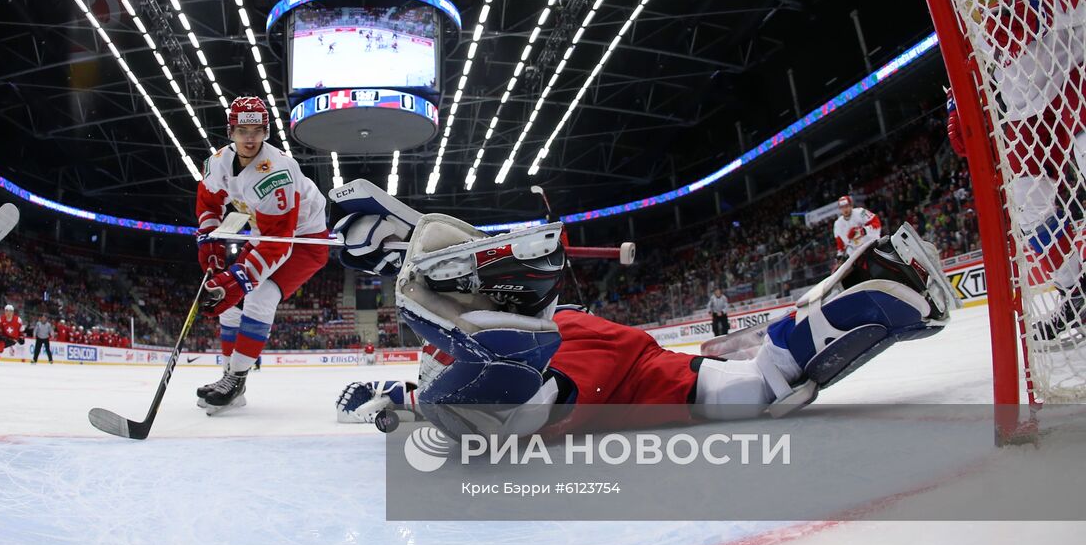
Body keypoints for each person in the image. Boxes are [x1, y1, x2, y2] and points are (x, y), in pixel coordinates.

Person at [333, 192, 953, 438]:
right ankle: (874, 284)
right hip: (596, 350)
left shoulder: (448, 349)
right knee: (751, 389)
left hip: (569, 353)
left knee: (501, 419)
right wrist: (393, 394)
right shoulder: (435, 348)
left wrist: (400, 400)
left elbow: (468, 392)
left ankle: (873, 286)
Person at [923, 0, 1086, 345]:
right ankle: (1075, 290)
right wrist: (959, 99)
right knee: (1027, 201)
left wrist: (1027, 13)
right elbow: (966, 41)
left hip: (1069, 67)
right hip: (1018, 95)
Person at [193, 96, 330, 413]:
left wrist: (237, 278)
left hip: (305, 240)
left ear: (266, 131)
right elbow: (209, 202)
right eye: (243, 130)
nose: (250, 138)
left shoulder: (275, 174)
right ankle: (229, 378)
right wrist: (210, 246)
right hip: (264, 233)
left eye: (257, 130)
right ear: (232, 132)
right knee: (228, 305)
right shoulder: (218, 162)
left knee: (259, 295)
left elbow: (279, 244)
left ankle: (237, 379)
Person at [832, 195, 881, 259]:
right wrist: (840, 255)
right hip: (855, 254)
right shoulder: (837, 224)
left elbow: (876, 223)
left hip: (871, 245)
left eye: (846, 206)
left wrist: (863, 231)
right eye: (842, 207)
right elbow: (840, 243)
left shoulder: (861, 212)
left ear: (851, 206)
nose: (845, 209)